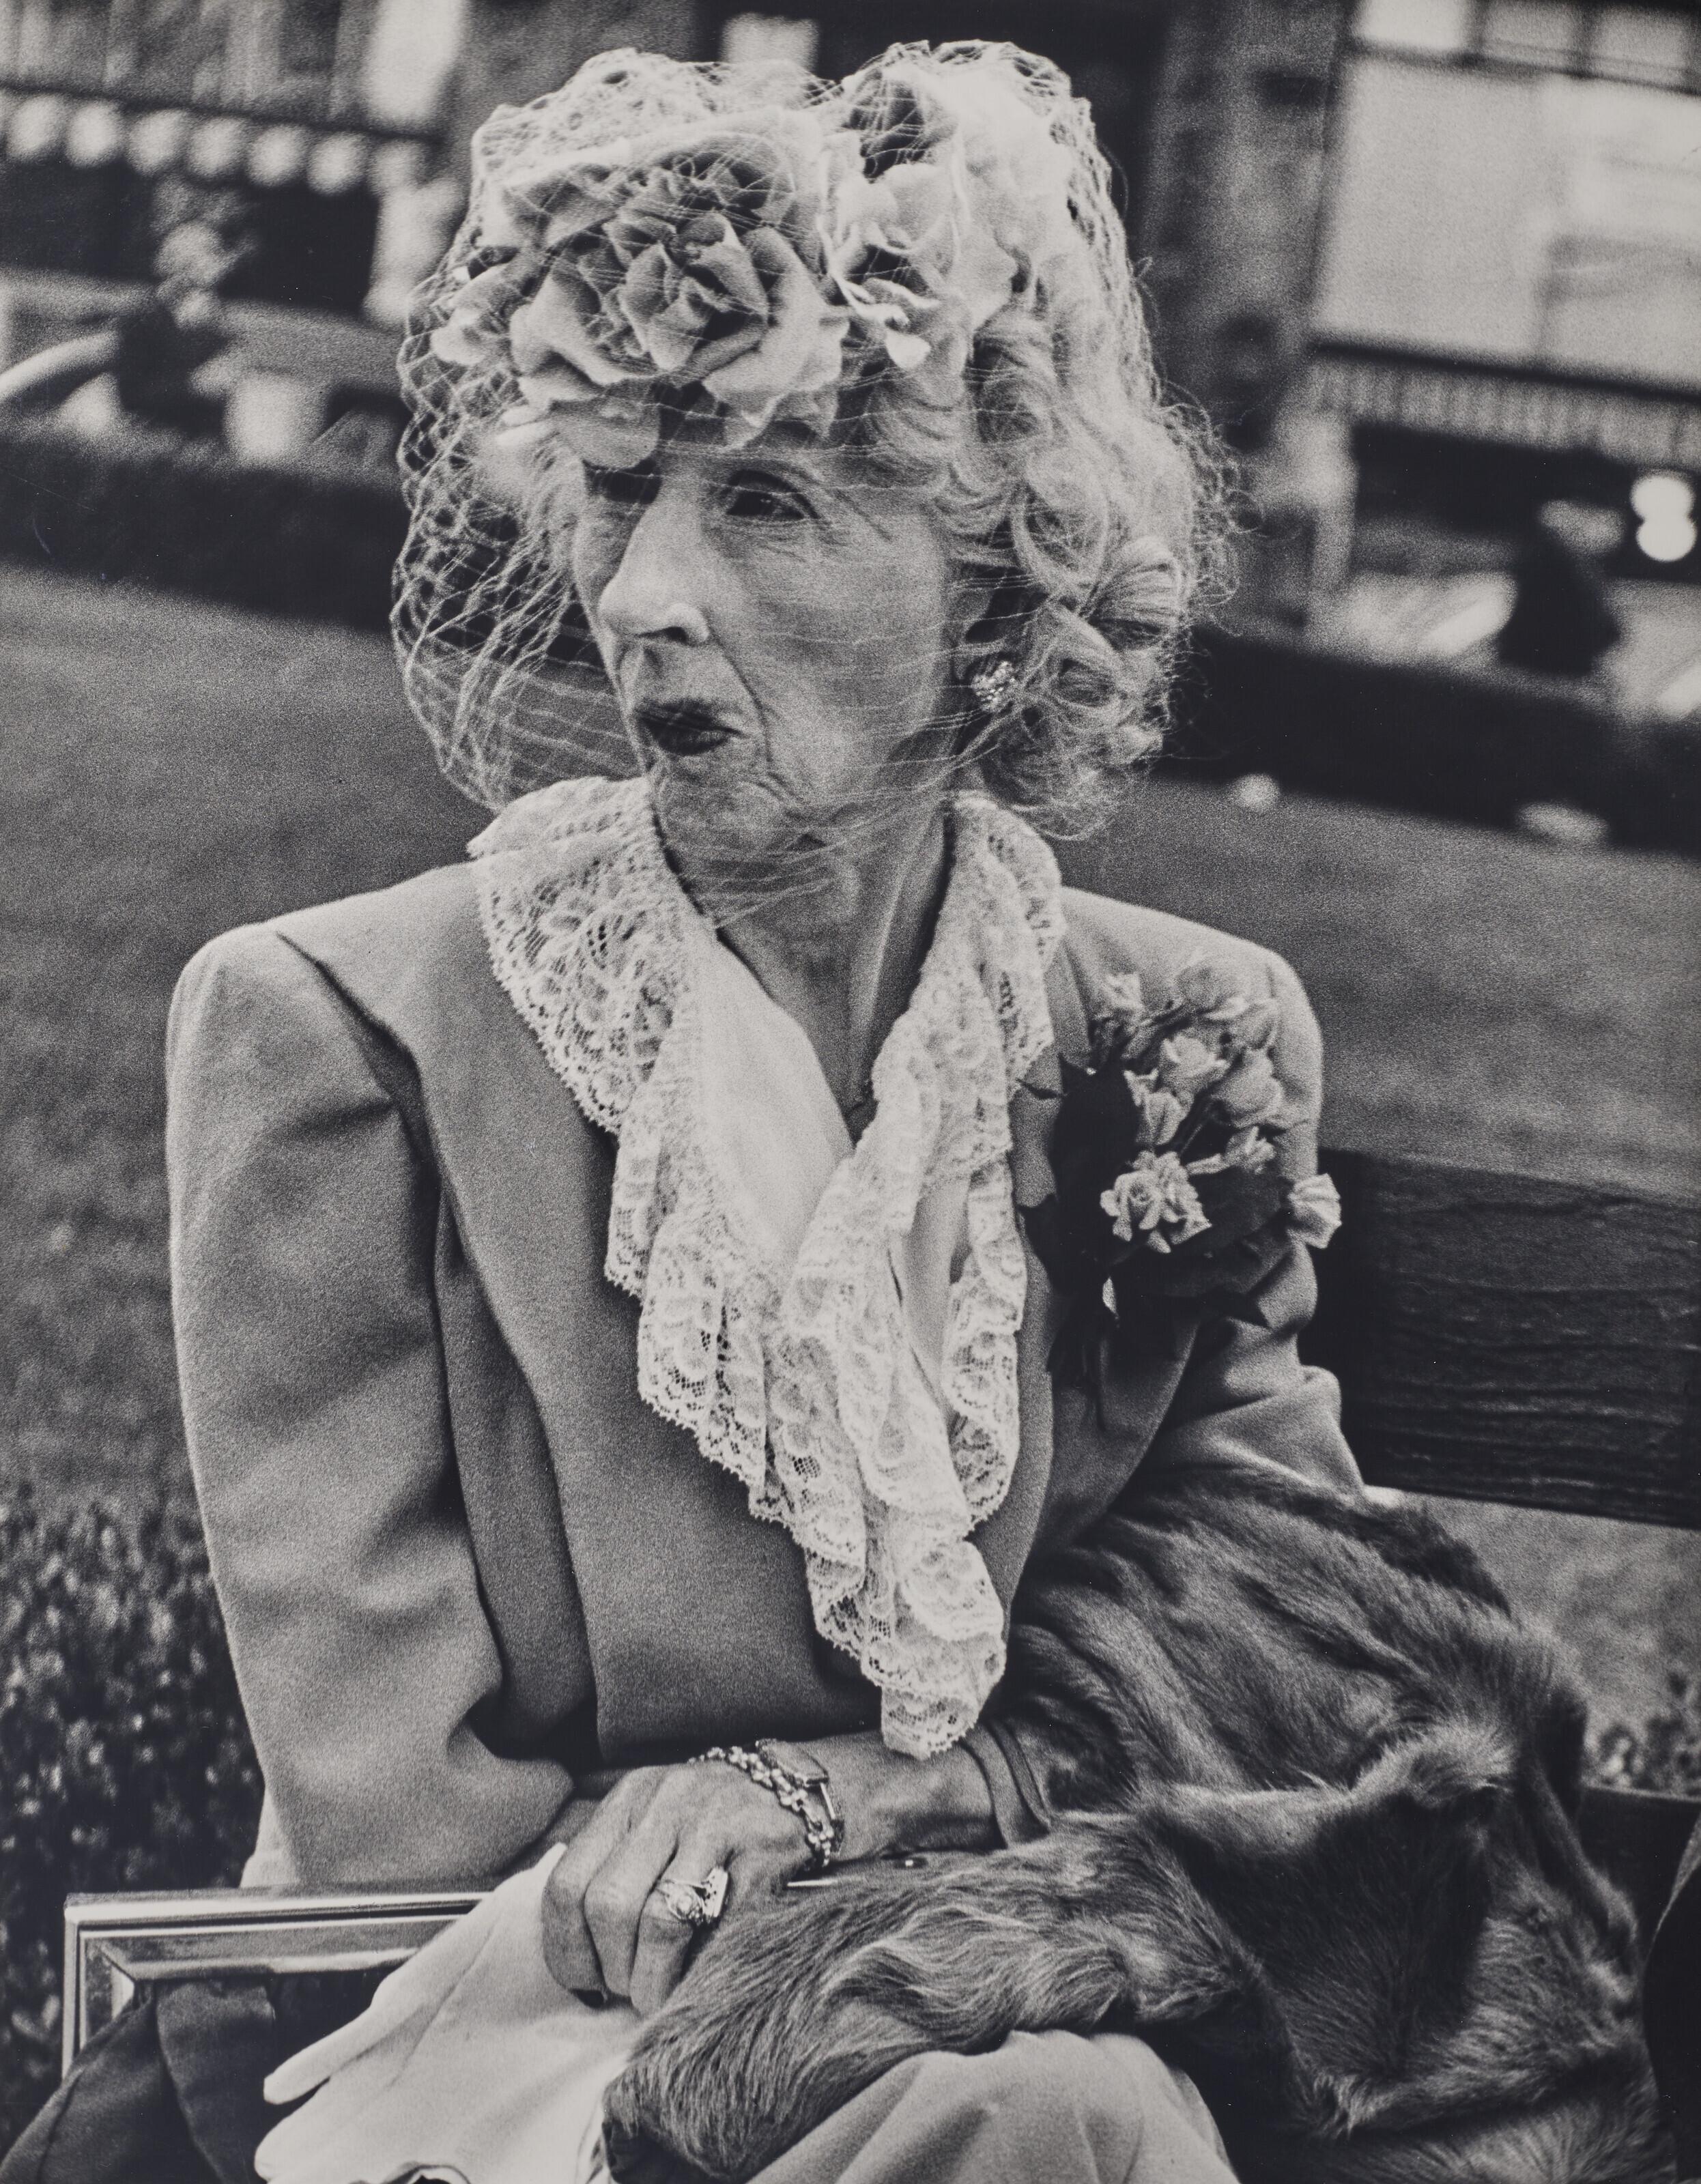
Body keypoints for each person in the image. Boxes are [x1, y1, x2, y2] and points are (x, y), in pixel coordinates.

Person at [160, 41, 1362, 2182]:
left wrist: (866, 1798)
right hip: (495, 2030)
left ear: (995, 584)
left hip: (1027, 1988)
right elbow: (392, 1809)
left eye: (770, 503)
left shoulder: (1180, 1038)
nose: (639, 599)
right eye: (618, 489)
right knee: (1054, 2126)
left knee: (1056, 2109)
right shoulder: (340, 1035)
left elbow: (1272, 1658)